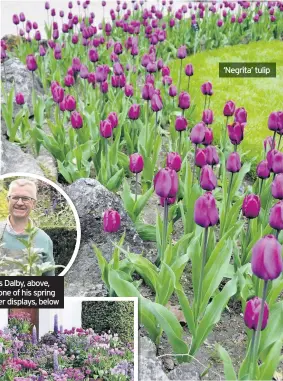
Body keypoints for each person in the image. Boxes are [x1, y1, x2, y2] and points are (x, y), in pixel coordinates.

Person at [0, 179, 55, 276]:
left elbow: (51, 285)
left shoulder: (44, 239)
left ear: (34, 204)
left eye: (25, 198)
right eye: (15, 197)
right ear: (8, 200)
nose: (20, 203)